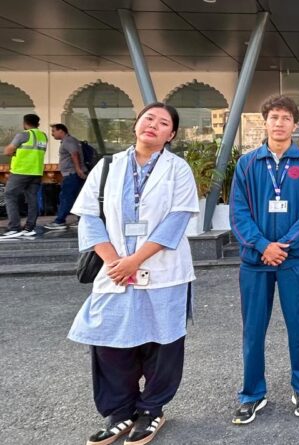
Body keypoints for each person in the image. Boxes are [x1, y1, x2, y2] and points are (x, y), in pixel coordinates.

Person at [68, 103, 198, 445]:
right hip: (114, 271)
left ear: (171, 135)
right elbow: (89, 217)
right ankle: (120, 412)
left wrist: (135, 260)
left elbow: (177, 220)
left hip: (163, 271)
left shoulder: (178, 169)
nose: (153, 125)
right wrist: (115, 262)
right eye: (148, 118)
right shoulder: (107, 167)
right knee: (110, 342)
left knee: (162, 342)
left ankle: (152, 409)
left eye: (163, 123)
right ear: (136, 124)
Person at [229, 95, 299, 424]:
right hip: (255, 262)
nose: (279, 123)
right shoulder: (247, 163)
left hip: (294, 261)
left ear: (295, 125)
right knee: (253, 331)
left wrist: (283, 245)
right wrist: (262, 246)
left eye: (286, 118)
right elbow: (238, 212)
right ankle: (252, 394)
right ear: (265, 122)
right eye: (274, 117)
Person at [2, 113, 47, 238]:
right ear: (38, 124)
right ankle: (29, 228)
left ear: (25, 123)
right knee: (32, 198)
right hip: (36, 172)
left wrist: (14, 151)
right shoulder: (43, 136)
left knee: (10, 195)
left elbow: (7, 151)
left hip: (21, 171)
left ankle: (14, 228)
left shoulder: (23, 135)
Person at [45, 123, 86, 230]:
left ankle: (60, 221)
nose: (52, 134)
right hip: (73, 174)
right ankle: (81, 220)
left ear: (61, 131)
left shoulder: (68, 141)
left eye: (54, 131)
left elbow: (74, 154)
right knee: (76, 197)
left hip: (72, 174)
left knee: (66, 197)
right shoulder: (70, 141)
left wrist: (78, 169)